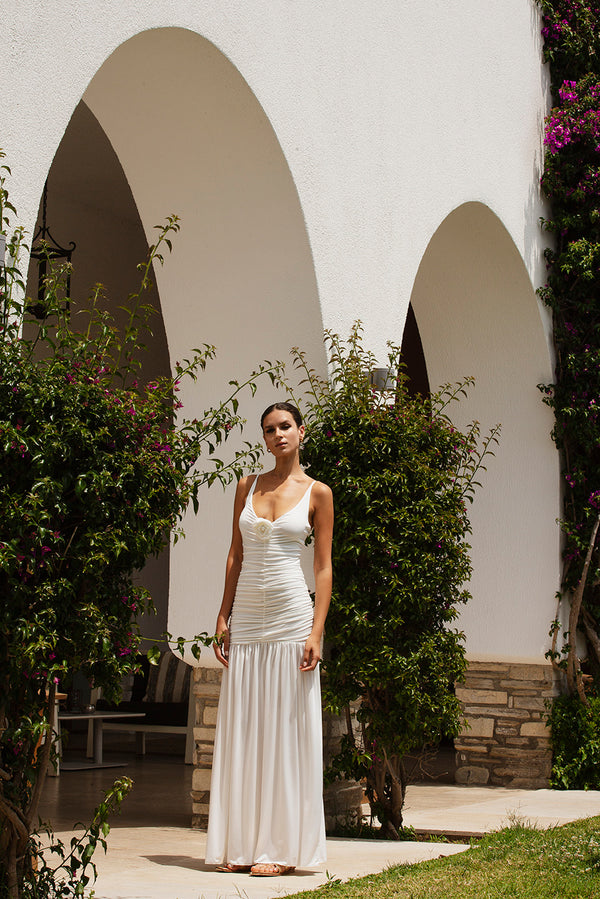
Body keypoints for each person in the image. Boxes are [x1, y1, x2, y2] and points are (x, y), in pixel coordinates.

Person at [205, 401, 334, 877]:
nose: (277, 435)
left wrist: (316, 630)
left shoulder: (318, 492)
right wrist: (223, 615)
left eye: (285, 427)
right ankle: (240, 845)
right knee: (244, 729)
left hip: (290, 619)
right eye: (269, 430)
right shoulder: (246, 485)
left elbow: (322, 566)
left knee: (285, 731)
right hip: (249, 620)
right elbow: (235, 556)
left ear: (301, 431)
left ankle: (278, 848)